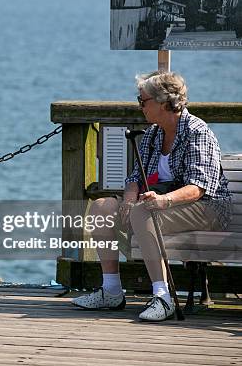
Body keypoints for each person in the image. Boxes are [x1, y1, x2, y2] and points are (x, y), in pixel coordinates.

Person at [71, 71, 232, 322]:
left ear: (164, 103)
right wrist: (127, 199)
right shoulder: (153, 134)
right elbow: (135, 177)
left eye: (143, 101)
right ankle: (111, 291)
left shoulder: (197, 132)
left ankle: (163, 296)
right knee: (102, 207)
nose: (140, 106)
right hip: (161, 204)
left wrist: (163, 201)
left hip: (206, 208)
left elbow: (199, 187)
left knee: (143, 211)